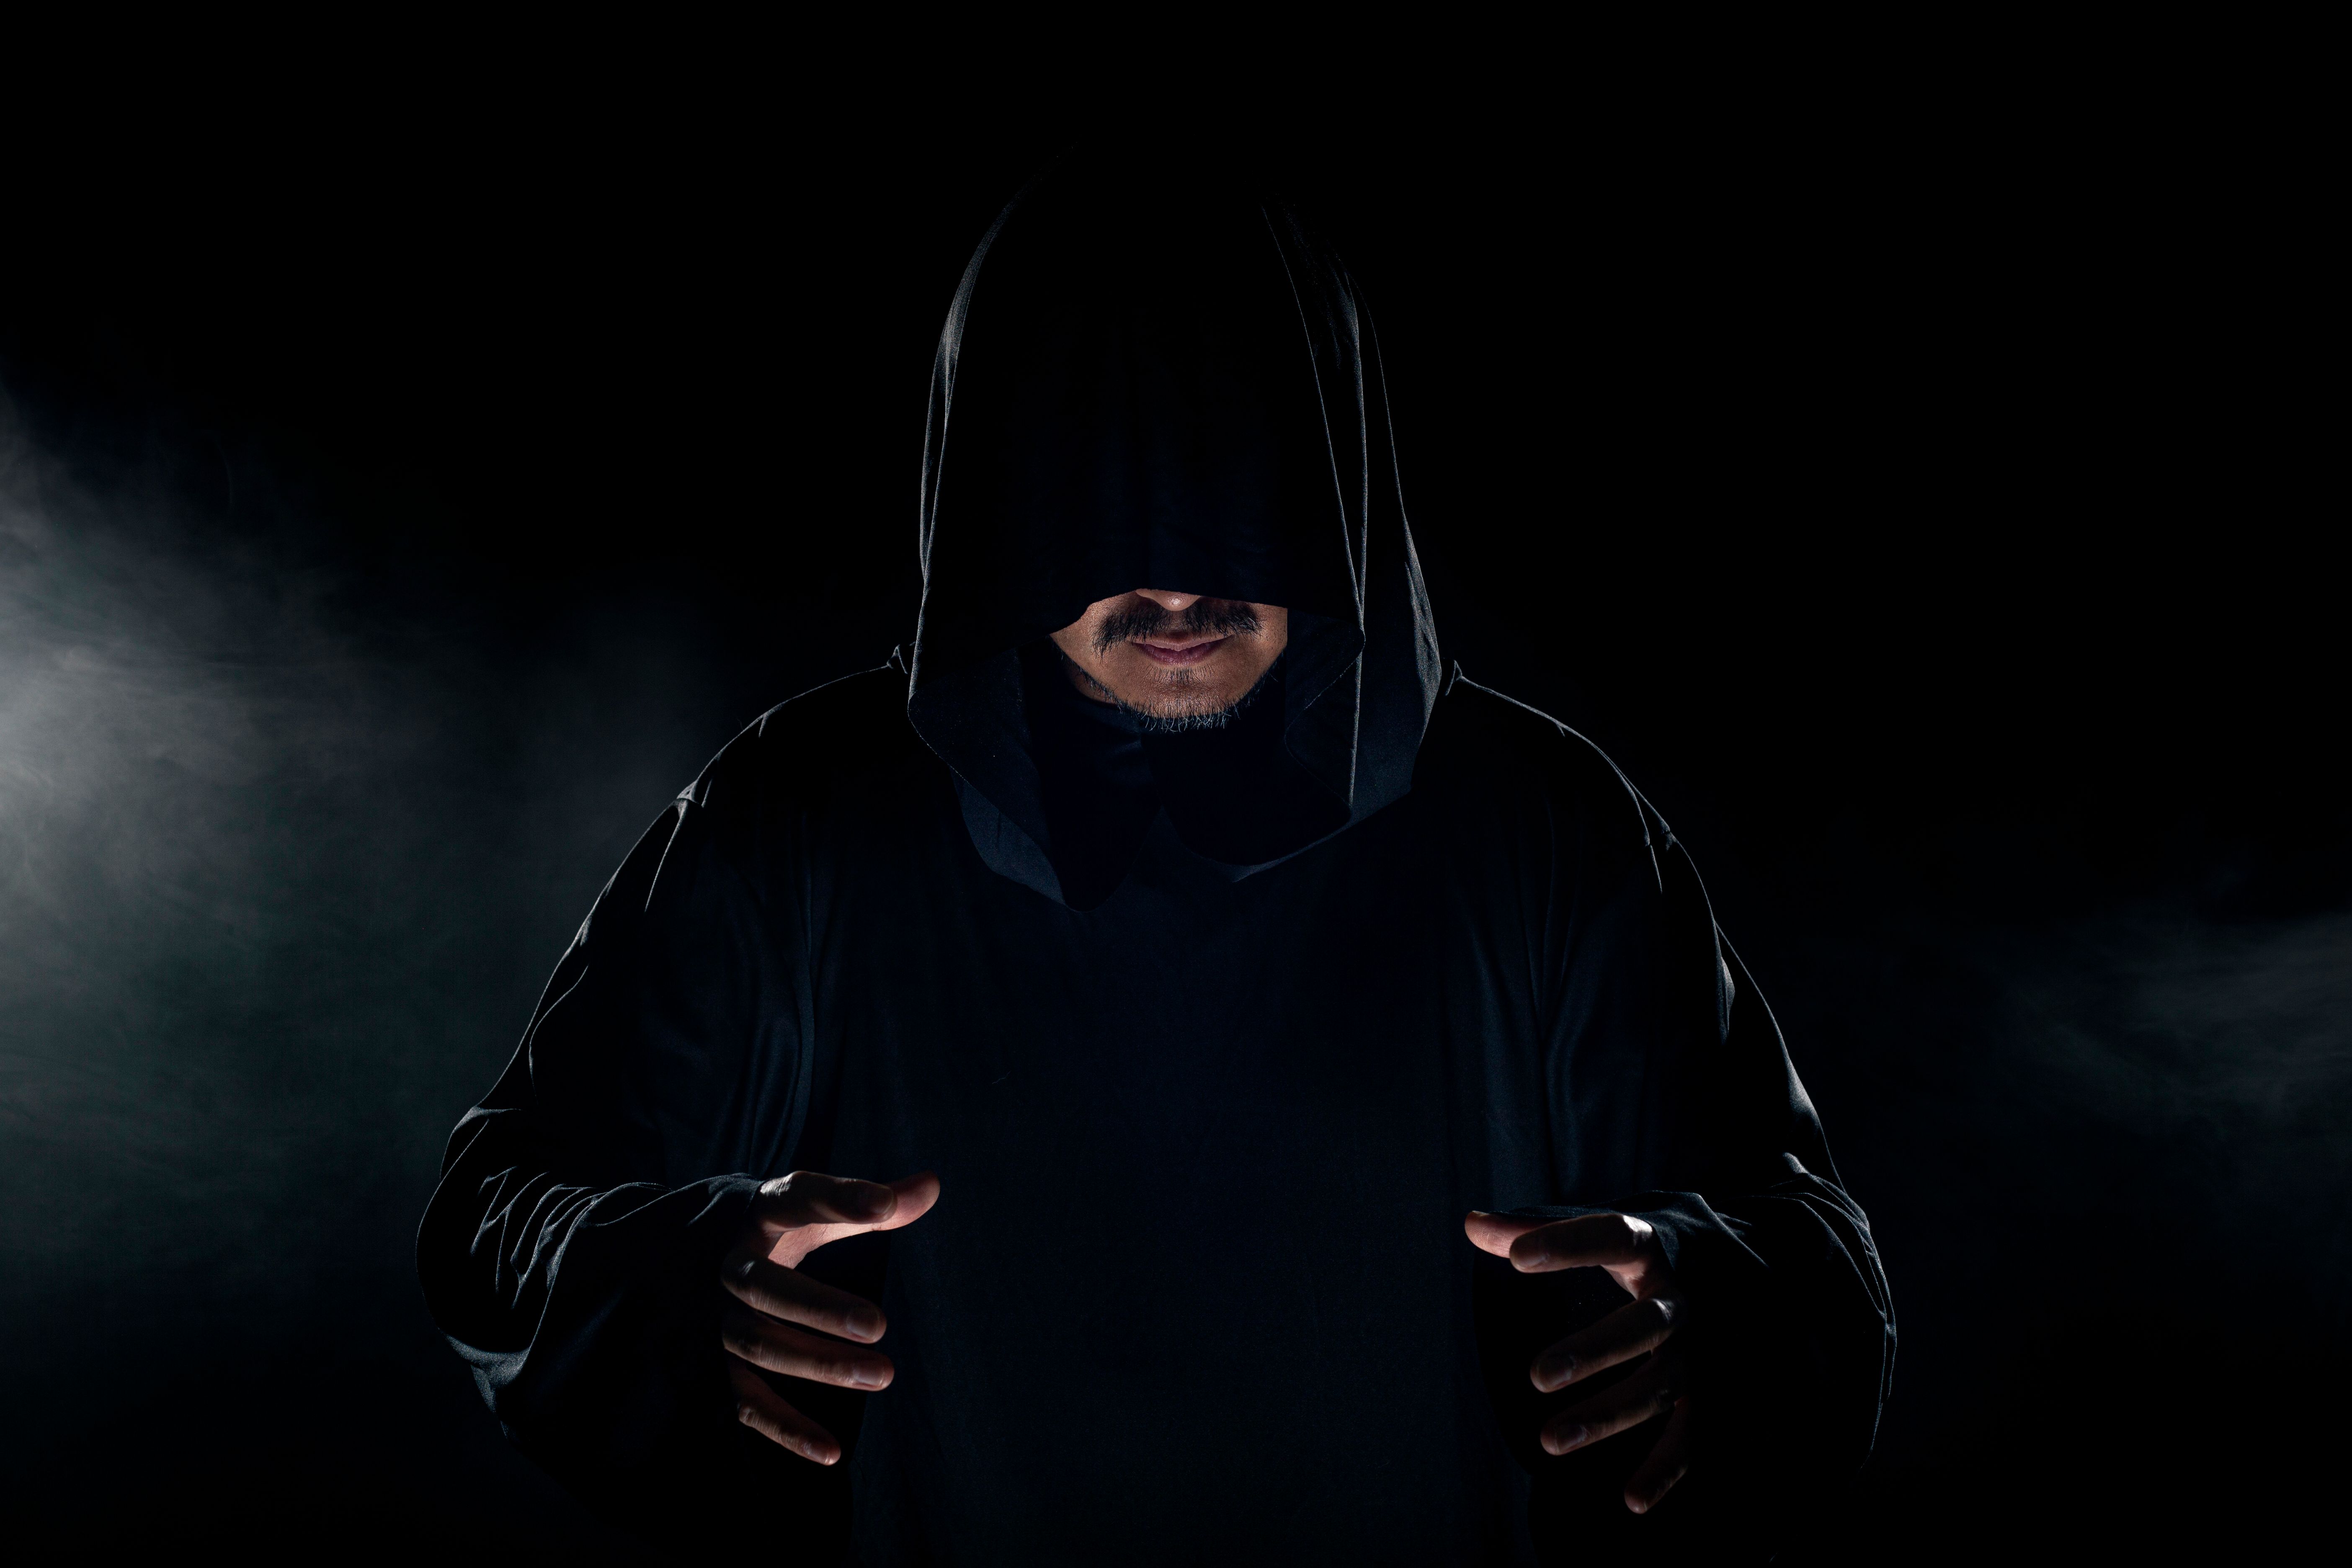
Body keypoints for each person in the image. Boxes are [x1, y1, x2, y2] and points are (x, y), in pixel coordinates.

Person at [418, 148, 1893, 1564]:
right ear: (1005, 482)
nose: (1178, 580)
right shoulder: (799, 817)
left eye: (1235, 480)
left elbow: (1808, 1245)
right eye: (1095, 488)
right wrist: (679, 1279)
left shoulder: (1546, 829)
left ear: (1327, 471)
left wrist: (1708, 1304)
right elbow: (501, 1213)